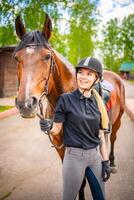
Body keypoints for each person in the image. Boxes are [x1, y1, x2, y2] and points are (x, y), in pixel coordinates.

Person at [40, 57, 110, 200]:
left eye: (89, 74)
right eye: (80, 72)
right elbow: (57, 129)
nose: (83, 77)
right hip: (74, 158)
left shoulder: (97, 102)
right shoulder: (65, 99)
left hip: (95, 157)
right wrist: (48, 126)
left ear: (97, 79)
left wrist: (106, 161)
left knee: (101, 197)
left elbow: (100, 135)